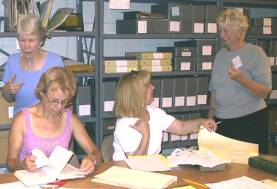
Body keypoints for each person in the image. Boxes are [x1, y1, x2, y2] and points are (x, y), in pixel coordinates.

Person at [6, 67, 101, 175]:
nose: (59, 107)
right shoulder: (22, 119)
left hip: (59, 180)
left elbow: (96, 153)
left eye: (65, 101)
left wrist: (92, 159)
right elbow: (10, 162)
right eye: (54, 101)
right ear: (42, 92)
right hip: (29, 179)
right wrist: (22, 164)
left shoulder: (71, 119)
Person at [112, 70, 217, 161]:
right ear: (138, 92)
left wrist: (201, 122)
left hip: (152, 169)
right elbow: (136, 164)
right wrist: (146, 135)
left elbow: (181, 127)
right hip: (129, 174)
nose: (153, 87)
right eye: (148, 85)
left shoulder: (155, 113)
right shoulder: (124, 124)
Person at [208, 9, 272, 154]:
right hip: (222, 122)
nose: (221, 35)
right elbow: (214, 90)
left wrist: (242, 79)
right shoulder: (220, 55)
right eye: (220, 30)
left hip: (249, 122)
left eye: (225, 31)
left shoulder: (256, 53)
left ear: (239, 31)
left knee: (250, 170)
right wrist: (210, 118)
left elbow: (265, 91)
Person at [2, 14, 64, 115]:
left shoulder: (55, 62)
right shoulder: (12, 61)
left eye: (31, 40)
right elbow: (8, 98)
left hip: (49, 123)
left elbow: (64, 101)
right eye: (22, 40)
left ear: (41, 41)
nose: (26, 46)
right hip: (21, 124)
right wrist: (7, 90)